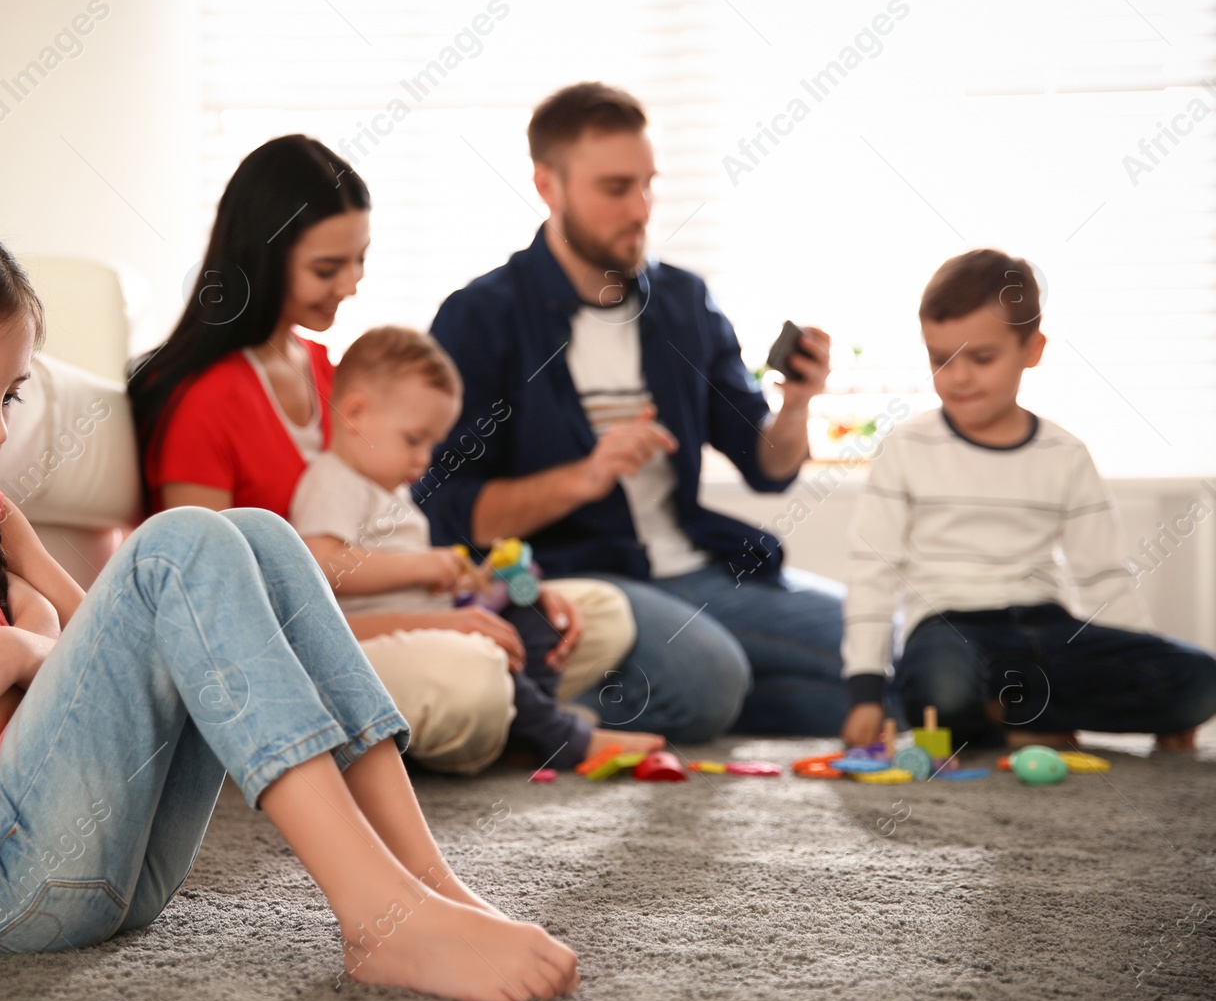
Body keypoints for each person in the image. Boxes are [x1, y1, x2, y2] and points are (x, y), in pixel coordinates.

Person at [0, 191, 578, 1001]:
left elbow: (108, 644)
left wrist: (20, 645)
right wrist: (39, 632)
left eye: (8, 395)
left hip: (108, 871)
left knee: (259, 535)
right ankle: (375, 916)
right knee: (178, 543)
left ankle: (426, 886)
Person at [128, 134, 632, 773]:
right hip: (291, 651)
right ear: (264, 258)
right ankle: (515, 712)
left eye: (359, 261)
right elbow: (223, 619)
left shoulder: (328, 371)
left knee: (598, 614)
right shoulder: (201, 400)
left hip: (382, 617)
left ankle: (513, 707)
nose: (352, 286)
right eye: (326, 268)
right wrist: (431, 625)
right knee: (469, 683)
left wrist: (487, 589)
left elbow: (392, 531)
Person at [421, 82, 846, 743]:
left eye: (648, 184)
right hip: (572, 582)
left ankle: (705, 690)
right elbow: (448, 511)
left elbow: (767, 468)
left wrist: (796, 405)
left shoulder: (683, 301)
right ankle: (541, 714)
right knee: (710, 678)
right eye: (616, 188)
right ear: (547, 185)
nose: (641, 208)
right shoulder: (480, 318)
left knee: (883, 649)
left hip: (697, 568)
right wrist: (584, 477)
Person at [840, 248, 1216, 751]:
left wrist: (1139, 659)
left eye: (981, 357)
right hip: (952, 627)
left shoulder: (1065, 453)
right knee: (941, 684)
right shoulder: (906, 447)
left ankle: (1011, 716)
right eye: (940, 358)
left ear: (1032, 349)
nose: (958, 377)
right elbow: (873, 569)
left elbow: (1103, 576)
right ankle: (1027, 717)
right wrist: (865, 689)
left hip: (1048, 630)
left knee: (1200, 679)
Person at [287, 325, 656, 771]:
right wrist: (425, 568)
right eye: (414, 439)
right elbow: (320, 566)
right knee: (489, 652)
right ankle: (560, 737)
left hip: (433, 618)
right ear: (355, 414)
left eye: (433, 444)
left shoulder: (391, 491)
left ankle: (528, 726)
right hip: (378, 636)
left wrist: (485, 581)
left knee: (531, 621)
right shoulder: (332, 480)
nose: (425, 459)